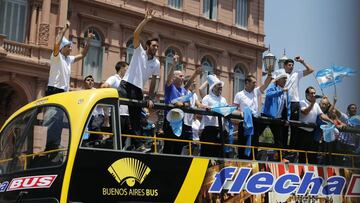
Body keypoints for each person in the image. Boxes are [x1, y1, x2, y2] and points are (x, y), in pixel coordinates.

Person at [118, 9, 160, 138]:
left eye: (157, 47)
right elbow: (136, 34)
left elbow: (154, 81)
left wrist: (151, 97)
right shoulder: (139, 51)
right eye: (154, 46)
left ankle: (138, 144)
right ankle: (113, 135)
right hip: (126, 85)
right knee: (117, 101)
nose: (156, 48)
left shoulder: (156, 63)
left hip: (138, 90)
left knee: (136, 118)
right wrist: (146, 20)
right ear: (147, 46)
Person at [46, 21, 94, 96]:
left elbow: (82, 54)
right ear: (62, 48)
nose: (71, 49)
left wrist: (88, 41)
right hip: (54, 89)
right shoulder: (57, 56)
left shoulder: (68, 59)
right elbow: (57, 43)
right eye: (69, 47)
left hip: (64, 90)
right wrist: (65, 28)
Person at [234, 70, 273, 159]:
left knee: (254, 144)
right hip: (244, 122)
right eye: (253, 82)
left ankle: (253, 164)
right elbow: (234, 109)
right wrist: (241, 113)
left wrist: (269, 74)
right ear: (247, 83)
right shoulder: (239, 94)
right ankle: (242, 163)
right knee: (242, 144)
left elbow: (265, 85)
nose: (255, 84)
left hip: (255, 122)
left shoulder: (255, 92)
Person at [283, 57, 314, 149]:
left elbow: (311, 70)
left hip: (295, 102)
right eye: (289, 65)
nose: (291, 67)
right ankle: (284, 149)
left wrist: (302, 61)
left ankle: (292, 149)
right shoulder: (280, 74)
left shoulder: (296, 73)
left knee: (294, 127)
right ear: (284, 66)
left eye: (292, 65)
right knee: (284, 125)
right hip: (284, 102)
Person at [298, 86, 333, 163]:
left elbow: (321, 115)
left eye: (314, 93)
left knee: (311, 153)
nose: (313, 95)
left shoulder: (316, 105)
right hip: (302, 131)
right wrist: (312, 103)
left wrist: (330, 120)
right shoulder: (302, 102)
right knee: (302, 153)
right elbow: (305, 112)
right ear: (307, 94)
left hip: (311, 132)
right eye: (311, 93)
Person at [162, 54, 188, 154]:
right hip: (170, 121)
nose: (182, 78)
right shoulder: (170, 87)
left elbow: (186, 103)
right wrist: (173, 64)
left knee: (178, 147)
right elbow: (168, 78)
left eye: (183, 76)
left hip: (180, 122)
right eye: (180, 76)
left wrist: (184, 104)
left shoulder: (184, 91)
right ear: (175, 77)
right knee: (169, 147)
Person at [101, 61, 130, 148]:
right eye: (127, 69)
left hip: (126, 114)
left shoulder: (126, 81)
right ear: (121, 68)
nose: (128, 71)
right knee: (116, 140)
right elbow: (104, 86)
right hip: (117, 114)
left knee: (123, 140)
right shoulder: (114, 78)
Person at [260, 69, 290, 153]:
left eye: (285, 78)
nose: (285, 80)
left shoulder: (286, 90)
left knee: (278, 139)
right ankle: (252, 155)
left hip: (277, 118)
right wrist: (281, 91)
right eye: (283, 78)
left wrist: (287, 118)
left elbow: (288, 106)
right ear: (278, 79)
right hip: (266, 115)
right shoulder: (273, 86)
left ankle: (280, 158)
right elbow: (269, 94)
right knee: (257, 134)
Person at [199, 74, 228, 157]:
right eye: (218, 85)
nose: (221, 87)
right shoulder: (207, 98)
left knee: (219, 154)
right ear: (213, 87)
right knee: (207, 153)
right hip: (210, 129)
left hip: (221, 129)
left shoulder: (223, 99)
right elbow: (203, 108)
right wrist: (207, 108)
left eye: (221, 85)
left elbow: (226, 109)